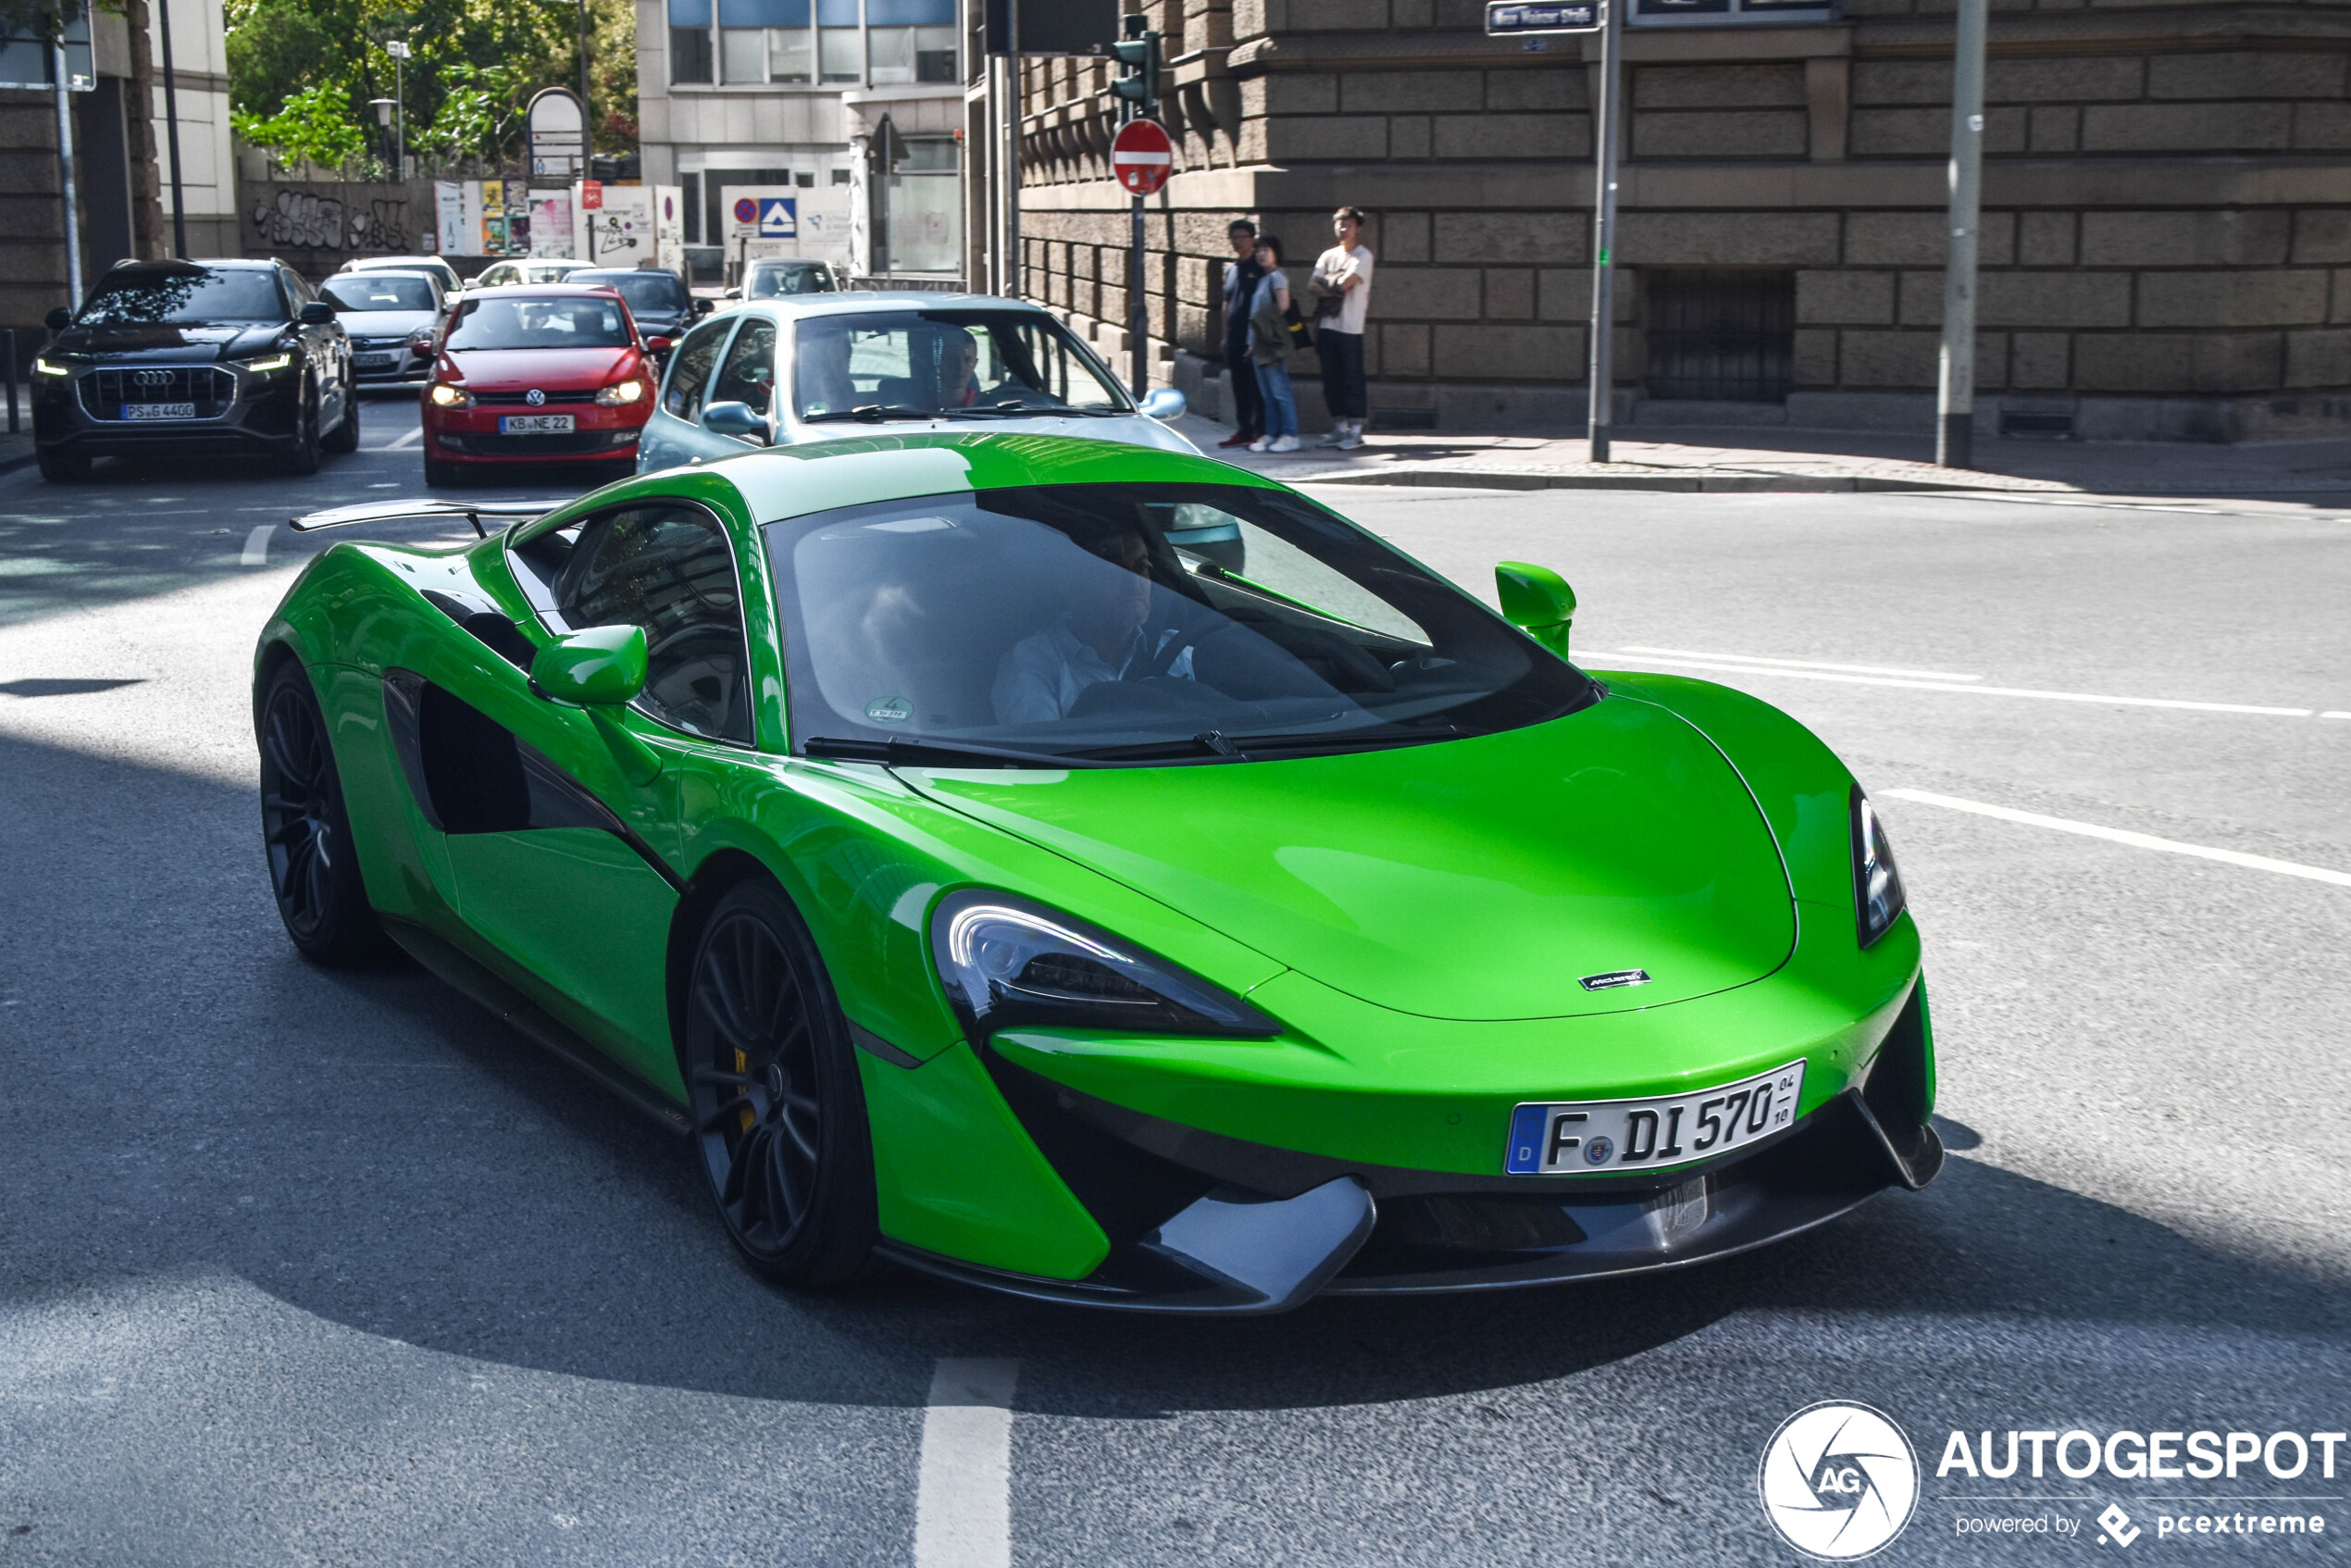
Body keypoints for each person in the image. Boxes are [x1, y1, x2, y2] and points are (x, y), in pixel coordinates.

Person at [991, 528, 1195, 724]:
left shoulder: (1175, 650)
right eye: (1115, 571)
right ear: (1072, 586)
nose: (1134, 585)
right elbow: (1044, 753)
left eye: (1141, 568)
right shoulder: (1031, 663)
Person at [1310, 207, 1375, 450]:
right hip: (1327, 323)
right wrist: (1333, 284)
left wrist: (1331, 282)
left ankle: (1355, 429)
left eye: (1348, 224)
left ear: (1357, 228)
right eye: (1340, 224)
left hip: (1351, 326)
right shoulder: (1328, 256)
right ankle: (1339, 427)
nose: (1343, 228)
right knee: (1331, 378)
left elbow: (1347, 284)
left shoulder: (1363, 256)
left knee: (1352, 377)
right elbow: (1311, 285)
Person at [1248, 234, 1300, 454]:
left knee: (1280, 391)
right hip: (1258, 344)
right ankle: (1273, 432)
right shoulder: (1263, 278)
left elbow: (1283, 305)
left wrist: (1262, 331)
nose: (1262, 253)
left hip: (1270, 343)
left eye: (1266, 249)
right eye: (1259, 249)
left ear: (1276, 253)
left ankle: (1290, 434)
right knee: (1268, 394)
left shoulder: (1278, 276)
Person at [1217, 219, 1263, 450]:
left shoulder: (1260, 267)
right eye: (1233, 238)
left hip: (1253, 338)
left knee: (1256, 387)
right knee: (1239, 387)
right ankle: (1244, 429)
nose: (1237, 242)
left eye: (1242, 237)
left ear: (1252, 238)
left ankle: (1260, 430)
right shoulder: (1232, 269)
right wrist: (1225, 335)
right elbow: (1226, 303)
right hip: (1234, 337)